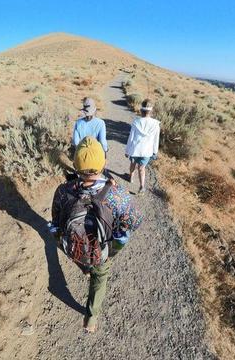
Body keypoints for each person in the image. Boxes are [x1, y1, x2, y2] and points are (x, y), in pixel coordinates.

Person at [50, 136, 142, 333]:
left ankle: (84, 265)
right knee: (100, 277)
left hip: (74, 247)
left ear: (75, 165)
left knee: (62, 237)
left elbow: (56, 222)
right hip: (102, 251)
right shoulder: (116, 194)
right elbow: (135, 222)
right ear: (104, 163)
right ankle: (90, 319)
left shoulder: (63, 191)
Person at [125, 98, 160, 193]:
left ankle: (131, 176)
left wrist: (127, 151)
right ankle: (141, 186)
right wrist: (154, 151)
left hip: (135, 149)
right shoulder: (156, 124)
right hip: (147, 150)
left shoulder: (136, 122)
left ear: (141, 110)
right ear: (151, 111)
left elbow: (131, 138)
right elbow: (156, 139)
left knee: (132, 163)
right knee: (142, 168)